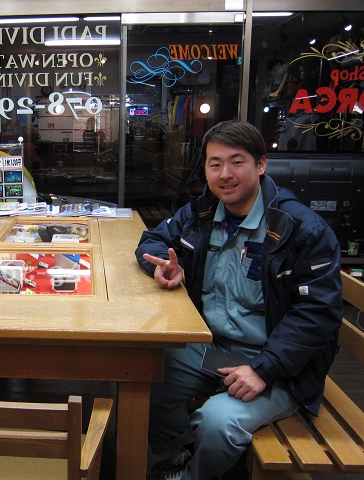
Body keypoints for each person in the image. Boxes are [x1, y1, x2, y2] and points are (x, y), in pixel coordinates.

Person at [135, 120, 342, 480]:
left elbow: (318, 313)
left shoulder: (301, 228)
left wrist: (263, 369)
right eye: (215, 164)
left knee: (217, 423)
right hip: (214, 350)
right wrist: (163, 266)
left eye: (237, 162)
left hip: (278, 366)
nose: (225, 174)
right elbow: (152, 239)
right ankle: (176, 453)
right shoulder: (202, 212)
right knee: (139, 372)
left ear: (261, 165)